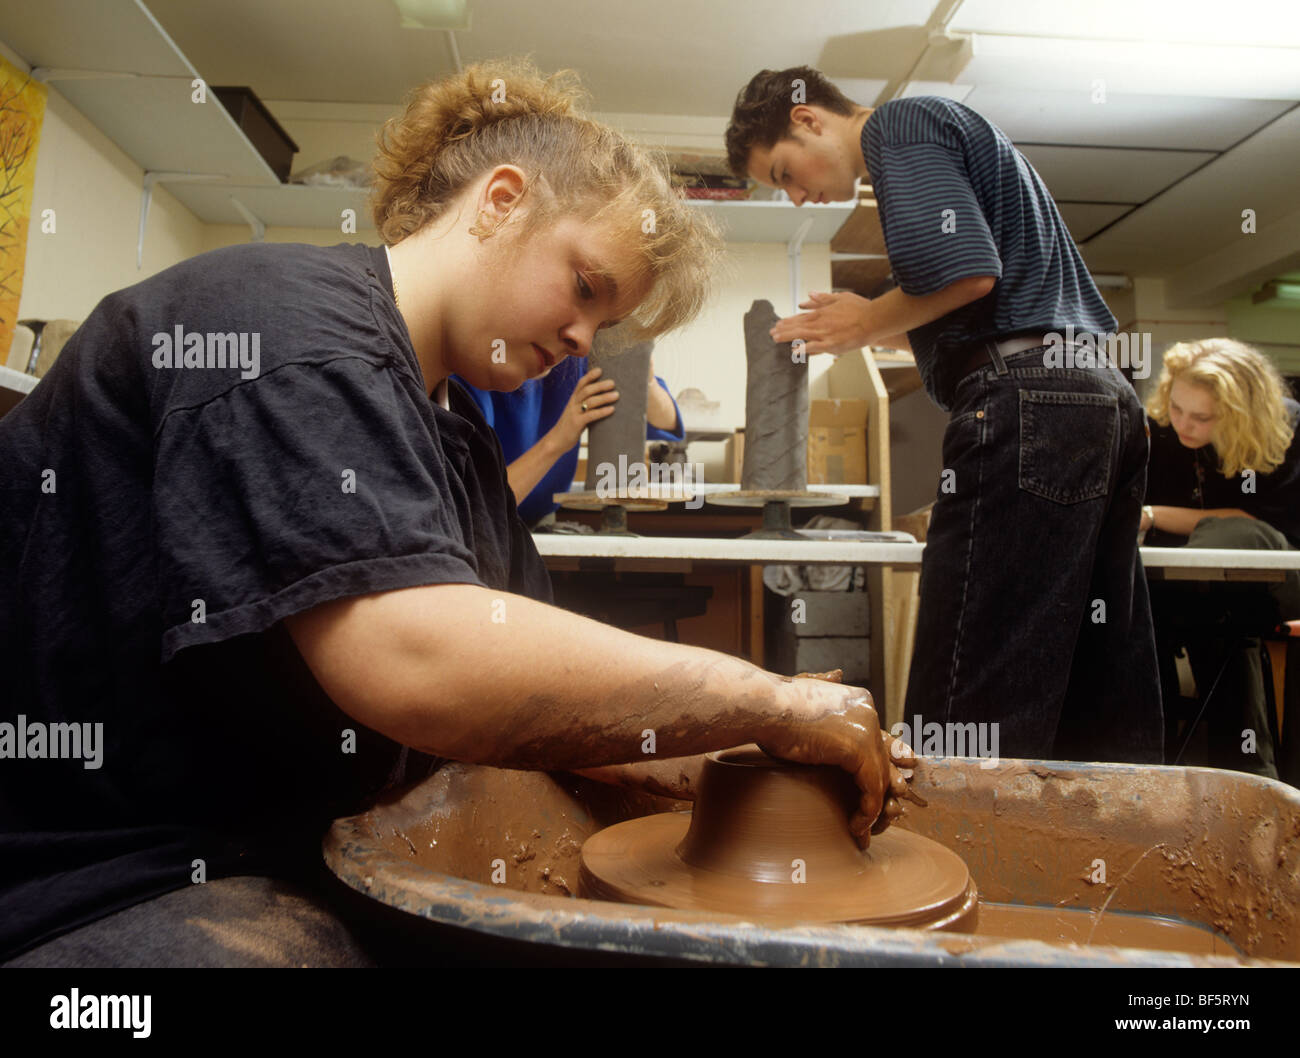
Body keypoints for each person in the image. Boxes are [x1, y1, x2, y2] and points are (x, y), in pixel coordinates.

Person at [0, 60, 915, 967]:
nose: (579, 343)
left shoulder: (461, 443)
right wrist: (766, 697)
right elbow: (416, 660)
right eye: (587, 289)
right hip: (96, 874)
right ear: (502, 201)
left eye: (605, 328)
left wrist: (768, 752)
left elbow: (551, 722)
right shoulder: (284, 327)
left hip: (276, 845)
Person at [725, 66, 1162, 763]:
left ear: (808, 118)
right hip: (1099, 399)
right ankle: (1101, 857)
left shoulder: (900, 125)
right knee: (1095, 678)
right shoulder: (950, 135)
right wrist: (872, 325)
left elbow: (967, 273)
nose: (800, 195)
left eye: (785, 172)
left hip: (1034, 405)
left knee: (969, 684)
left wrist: (869, 319)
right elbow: (979, 300)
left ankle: (950, 859)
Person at [1143, 338, 1300, 780]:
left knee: (1229, 545)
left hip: (1275, 571)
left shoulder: (1289, 426)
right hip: (1206, 587)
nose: (1184, 425)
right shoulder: (1162, 432)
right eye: (1176, 409)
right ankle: (1162, 764)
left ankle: (1249, 774)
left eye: (1202, 417)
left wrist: (1154, 515)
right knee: (1171, 608)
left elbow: (1254, 522)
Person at [454, 352, 684, 526]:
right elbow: (479, 507)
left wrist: (643, 372)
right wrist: (558, 440)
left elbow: (666, 421)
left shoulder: (575, 354)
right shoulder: (471, 373)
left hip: (540, 522)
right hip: (480, 529)